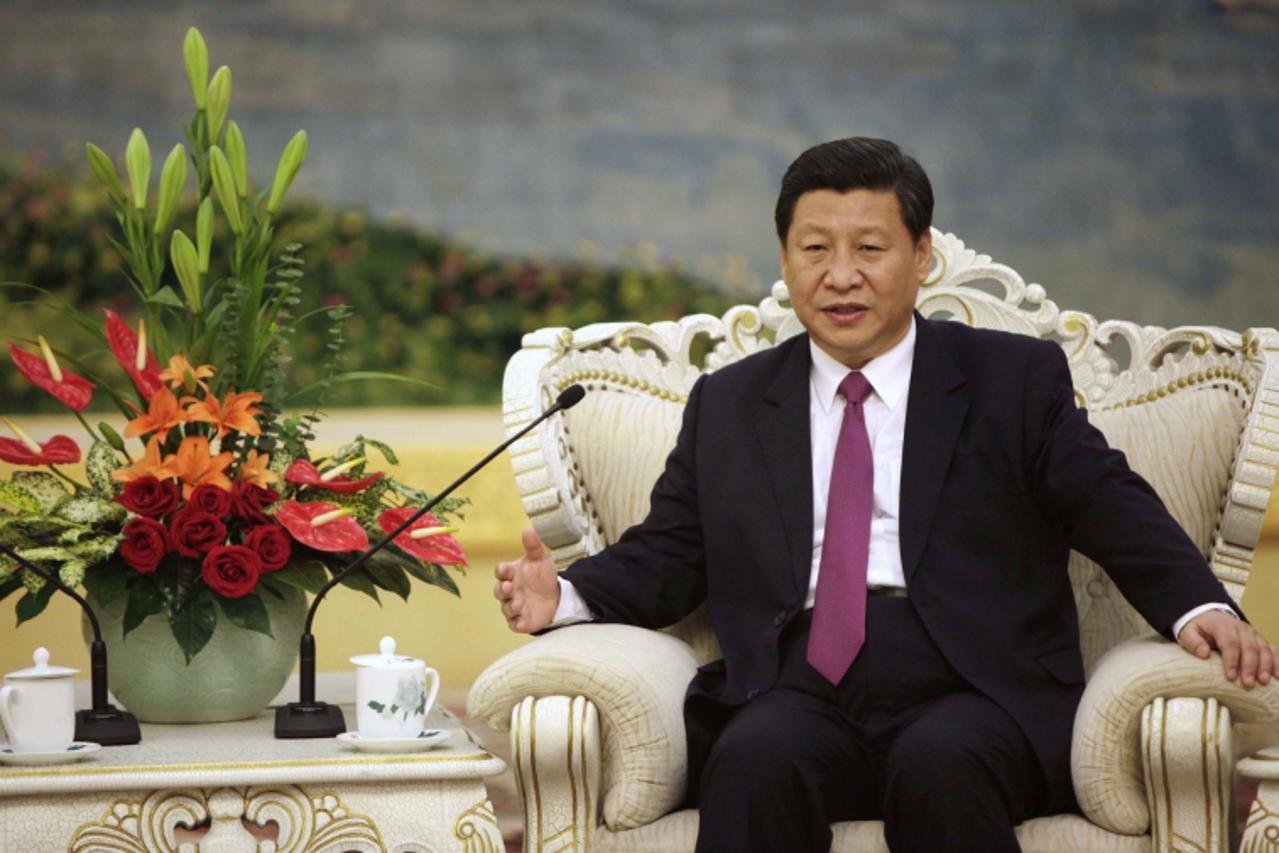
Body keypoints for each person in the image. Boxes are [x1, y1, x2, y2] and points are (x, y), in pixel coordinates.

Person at [492, 137, 1279, 852]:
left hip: (972, 683)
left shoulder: (1010, 379)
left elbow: (1107, 500)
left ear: (921, 256)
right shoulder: (730, 402)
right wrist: (563, 595)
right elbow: (670, 551)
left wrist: (1197, 606)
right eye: (814, 249)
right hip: (794, 682)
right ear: (784, 257)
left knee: (940, 765)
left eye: (869, 248)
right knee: (752, 759)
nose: (841, 276)